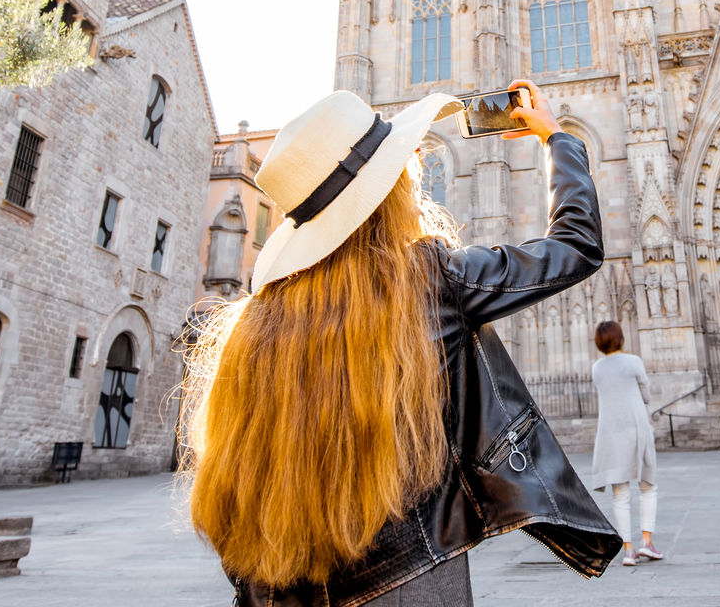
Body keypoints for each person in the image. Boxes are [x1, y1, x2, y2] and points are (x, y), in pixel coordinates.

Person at [185, 81, 622, 605]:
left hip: (281, 586)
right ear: (387, 192)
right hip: (411, 578)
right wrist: (556, 137)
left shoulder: (257, 324)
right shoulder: (428, 282)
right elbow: (575, 246)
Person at [591, 320, 662, 565]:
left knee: (619, 494)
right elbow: (646, 395)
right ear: (621, 339)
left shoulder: (597, 368)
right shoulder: (634, 362)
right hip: (636, 429)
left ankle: (628, 550)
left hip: (610, 434)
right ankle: (646, 542)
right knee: (647, 486)